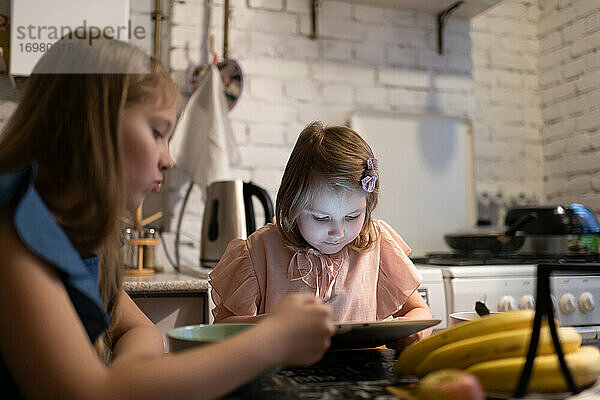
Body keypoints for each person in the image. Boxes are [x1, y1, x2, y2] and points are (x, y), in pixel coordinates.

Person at [0, 32, 333, 400]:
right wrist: (272, 341)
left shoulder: (73, 238)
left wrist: (129, 376)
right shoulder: (11, 233)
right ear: (93, 127)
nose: (168, 159)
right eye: (158, 133)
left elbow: (138, 331)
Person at [209, 121, 433, 348]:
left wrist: (414, 331)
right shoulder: (259, 252)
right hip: (282, 379)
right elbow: (221, 328)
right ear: (292, 204)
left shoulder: (375, 243)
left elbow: (418, 310)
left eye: (353, 216)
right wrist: (274, 324)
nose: (338, 232)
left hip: (363, 380)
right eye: (320, 218)